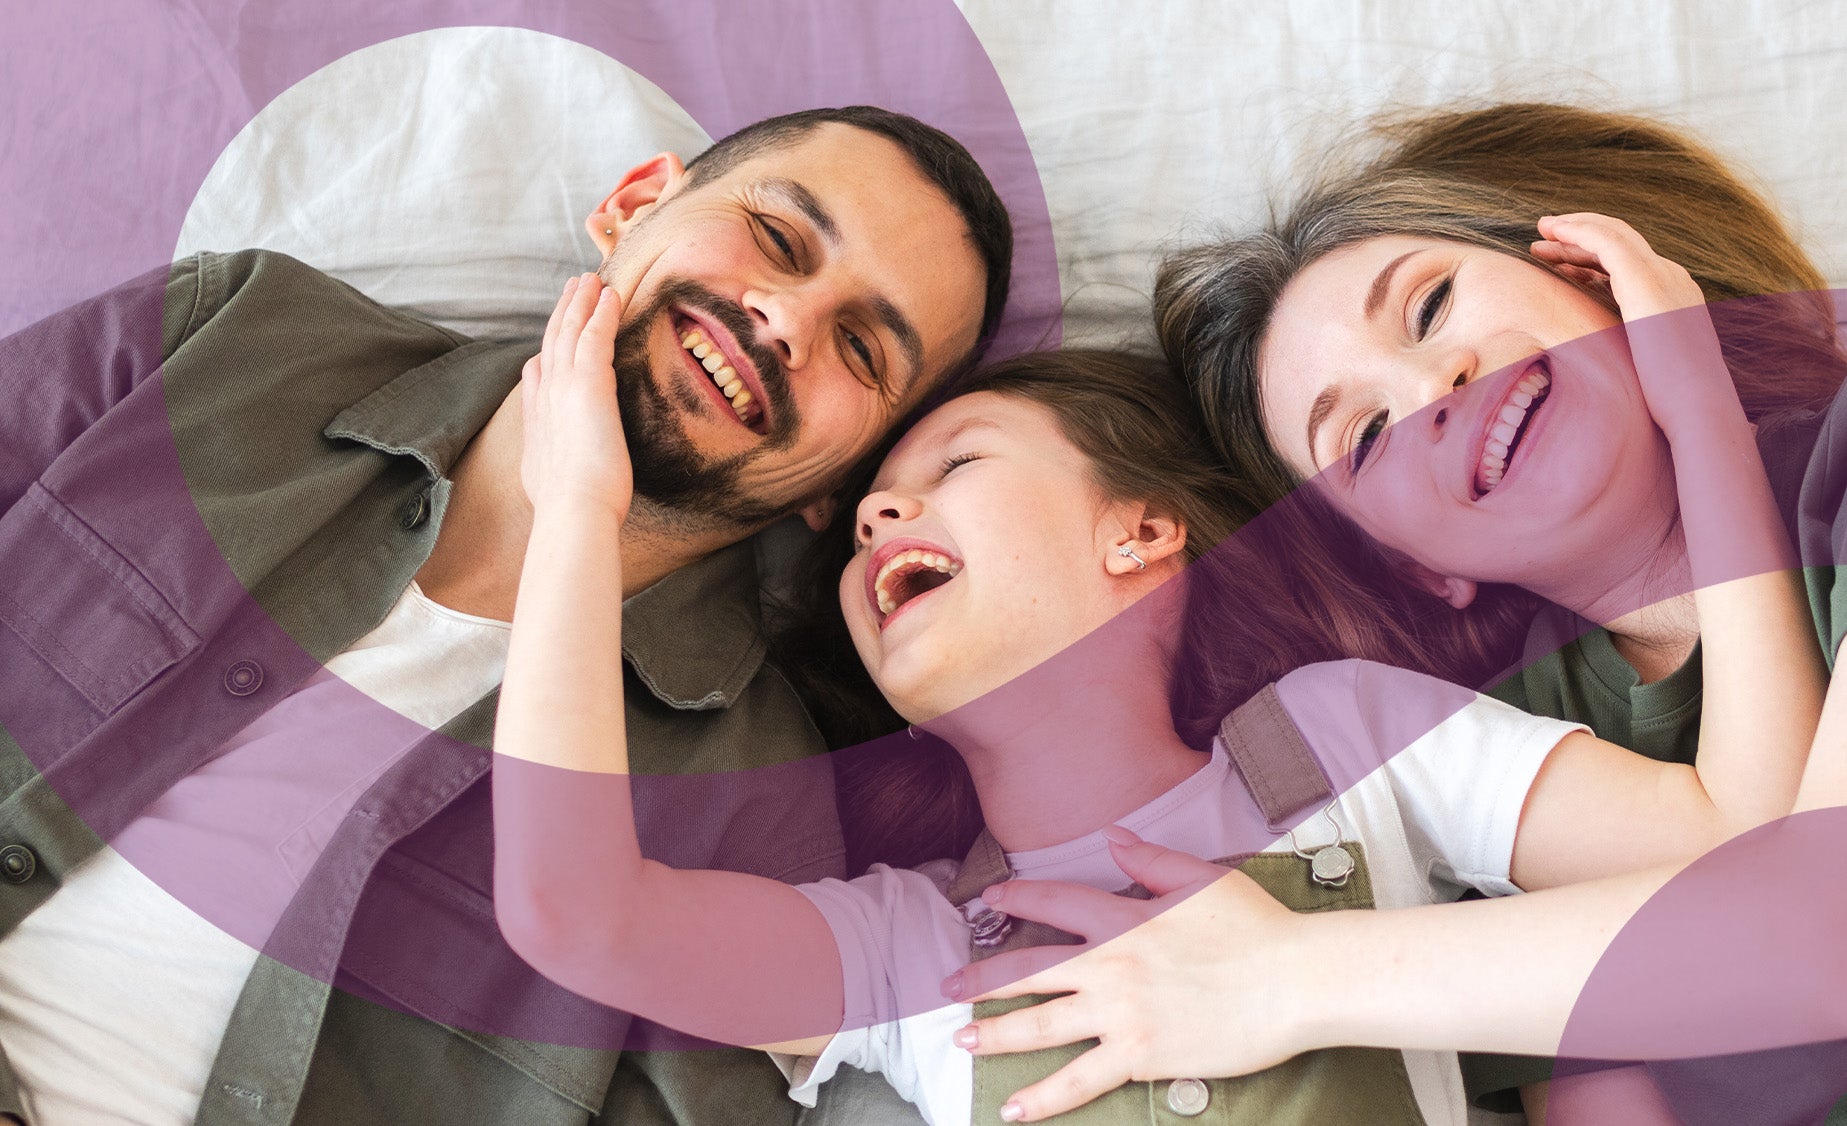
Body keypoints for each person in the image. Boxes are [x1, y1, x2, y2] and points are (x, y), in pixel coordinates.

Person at [491, 292, 1820, 1125]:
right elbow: (575, 913)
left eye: (953, 466)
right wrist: (578, 524)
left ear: (1140, 532)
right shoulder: (906, 949)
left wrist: (1695, 419)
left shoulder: (1337, 735)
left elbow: (1742, 845)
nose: (879, 516)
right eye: (862, 523)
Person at [0, 105, 1009, 1124]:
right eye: (781, 239)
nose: (787, 324)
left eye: (862, 349)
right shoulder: (232, 335)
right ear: (630, 204)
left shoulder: (756, 808)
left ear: (835, 484)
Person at [940, 103, 1847, 1123]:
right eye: (1364, 437)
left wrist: (1276, 975)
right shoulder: (1498, 777)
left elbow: (1817, 923)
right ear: (1414, 568)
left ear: (1586, 275)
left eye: (1426, 309)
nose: (1431, 390)